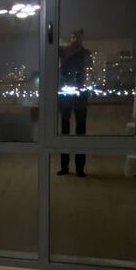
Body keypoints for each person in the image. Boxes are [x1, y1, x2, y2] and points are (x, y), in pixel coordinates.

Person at [57, 28, 91, 176]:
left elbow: (87, 71)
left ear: (81, 39)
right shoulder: (68, 51)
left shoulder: (83, 53)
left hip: (75, 94)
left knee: (78, 130)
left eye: (77, 37)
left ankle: (77, 168)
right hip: (71, 94)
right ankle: (70, 168)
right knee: (69, 129)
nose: (75, 39)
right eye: (73, 37)